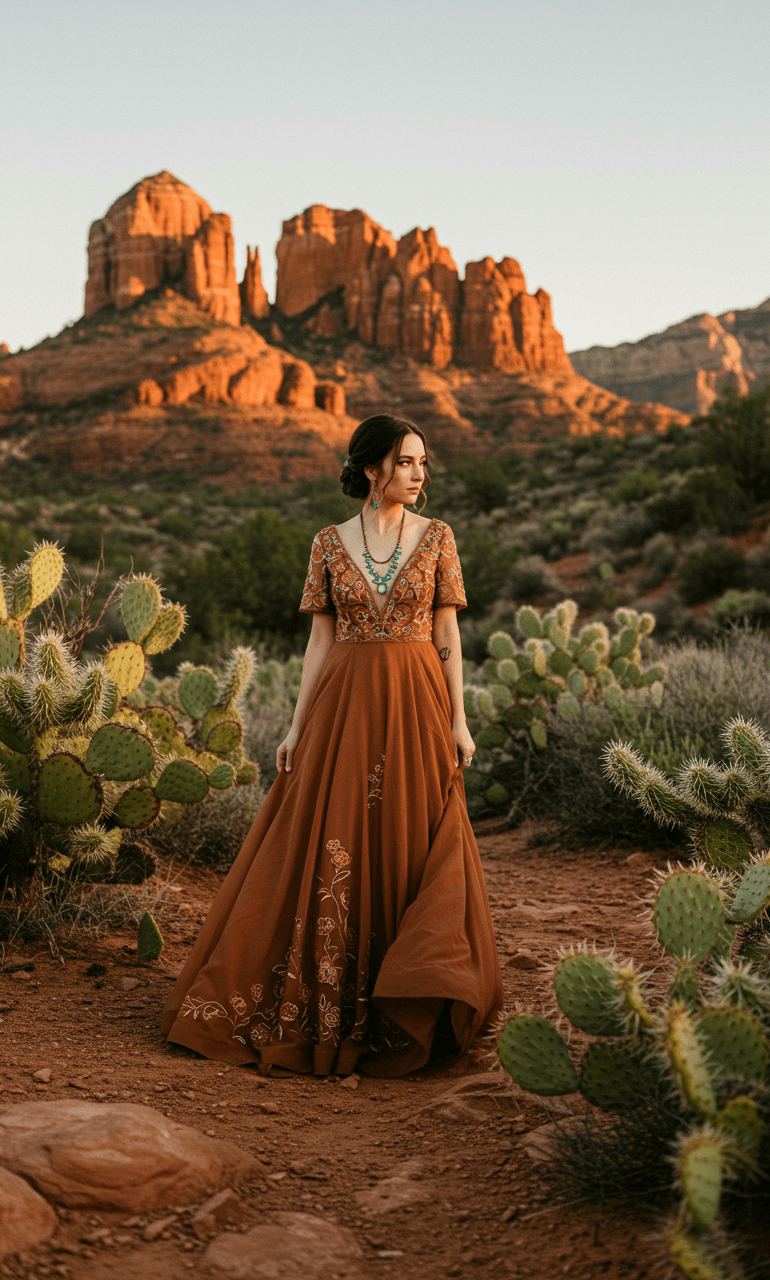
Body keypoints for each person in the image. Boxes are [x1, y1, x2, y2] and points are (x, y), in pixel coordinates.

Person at [160, 414, 504, 1077]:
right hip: (342, 702)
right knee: (334, 833)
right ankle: (331, 1005)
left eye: (423, 464)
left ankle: (412, 999)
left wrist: (459, 721)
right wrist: (294, 726)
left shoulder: (438, 538)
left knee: (411, 831)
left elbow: (448, 637)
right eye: (408, 462)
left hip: (416, 700)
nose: (420, 474)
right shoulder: (327, 543)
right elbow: (319, 641)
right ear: (373, 468)